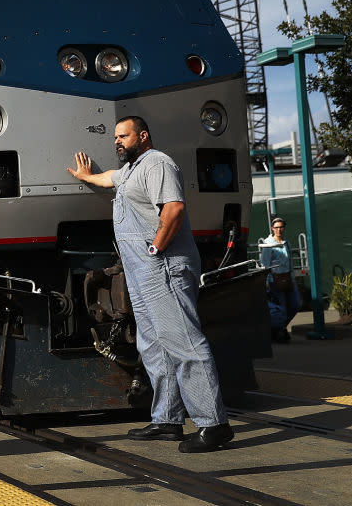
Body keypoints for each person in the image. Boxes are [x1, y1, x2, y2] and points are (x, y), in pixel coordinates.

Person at [67, 116, 234, 453]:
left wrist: (156, 248)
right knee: (154, 346)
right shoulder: (130, 170)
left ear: (142, 136)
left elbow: (173, 210)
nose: (117, 141)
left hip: (163, 268)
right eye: (115, 137)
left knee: (184, 342)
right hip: (142, 273)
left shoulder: (157, 163)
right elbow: (108, 178)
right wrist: (86, 176)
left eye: (123, 136)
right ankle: (168, 419)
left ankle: (214, 424)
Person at [259, 217, 302, 343]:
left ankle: (278, 329)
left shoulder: (286, 243)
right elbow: (265, 264)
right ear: (272, 228)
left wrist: (294, 280)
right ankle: (279, 331)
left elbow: (290, 263)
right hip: (275, 281)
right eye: (277, 227)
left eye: (281, 227)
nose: (279, 229)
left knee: (295, 305)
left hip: (288, 279)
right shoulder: (268, 244)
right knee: (281, 308)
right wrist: (266, 283)